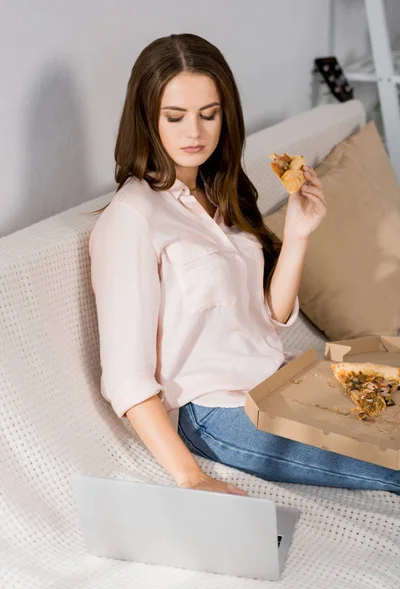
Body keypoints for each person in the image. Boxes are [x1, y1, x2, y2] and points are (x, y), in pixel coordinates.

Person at [88, 33, 400, 496]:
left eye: (208, 115)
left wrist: (297, 234)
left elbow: (267, 320)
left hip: (282, 382)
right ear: (146, 118)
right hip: (219, 413)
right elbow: (125, 378)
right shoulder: (132, 218)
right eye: (174, 117)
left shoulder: (222, 196)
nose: (194, 133)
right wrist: (190, 477)